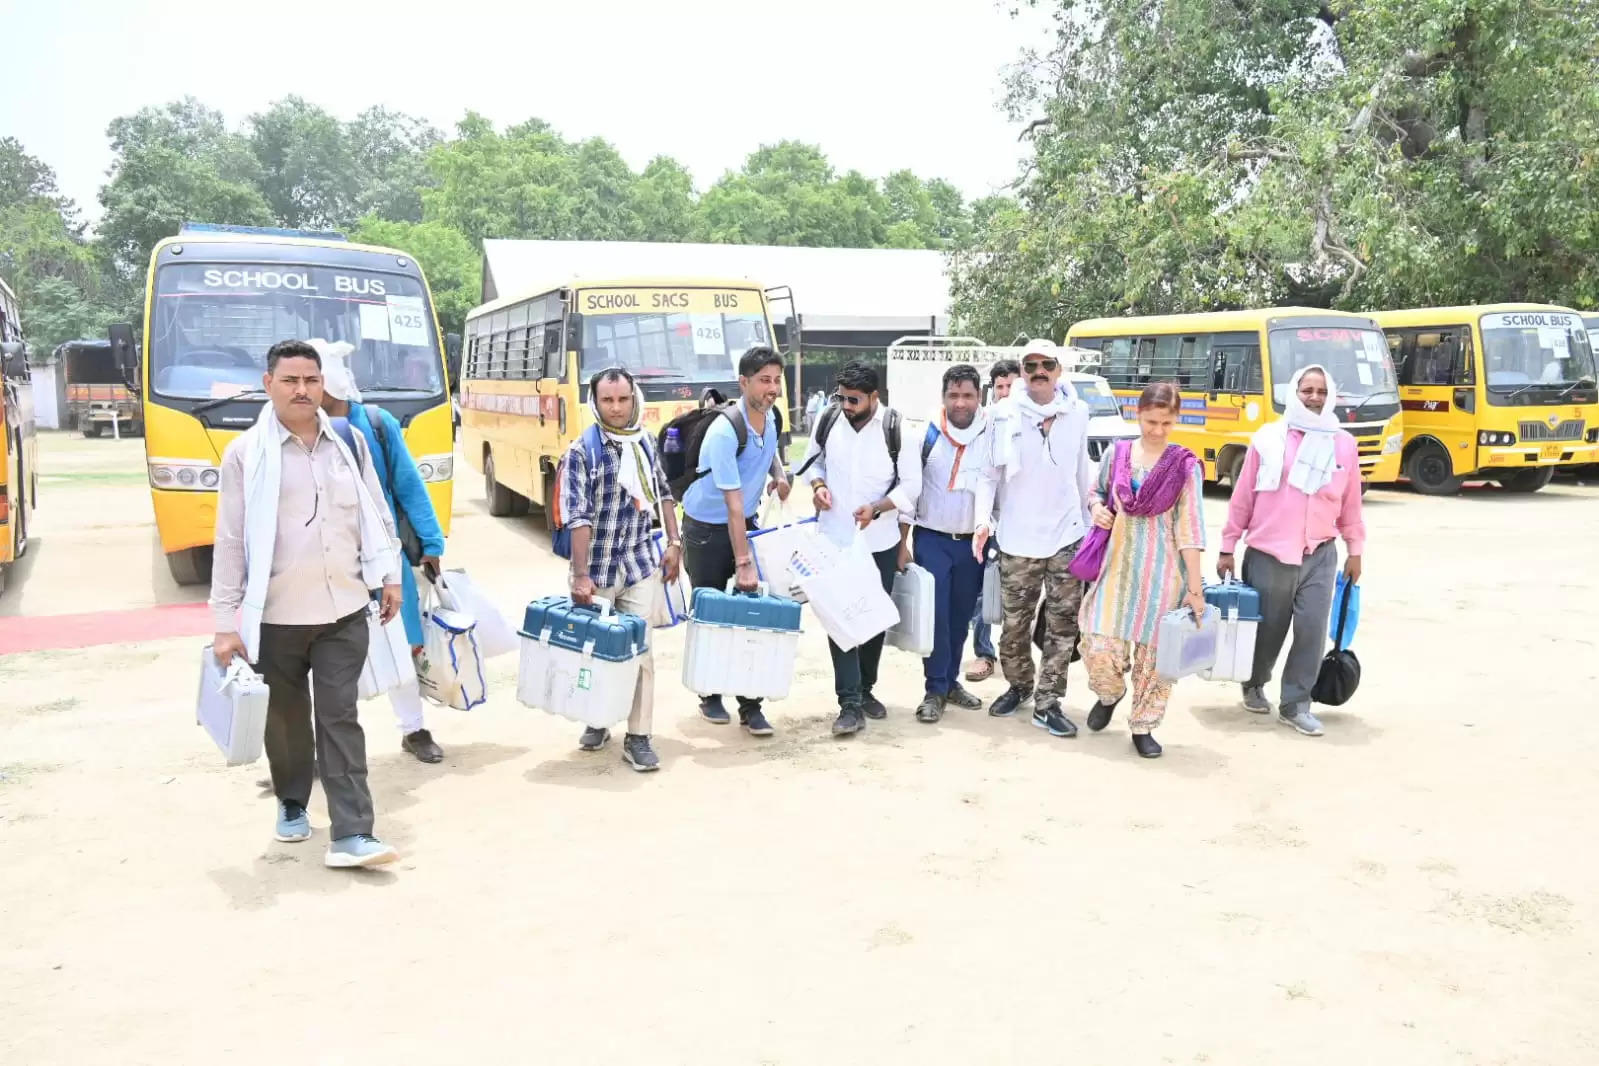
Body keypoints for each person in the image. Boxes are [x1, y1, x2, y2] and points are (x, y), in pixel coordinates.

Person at [209, 339, 402, 869]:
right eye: (291, 381)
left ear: (325, 385)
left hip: (343, 608)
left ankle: (353, 834)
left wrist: (390, 576)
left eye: (311, 381)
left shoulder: (349, 441)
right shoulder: (246, 455)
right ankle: (292, 801)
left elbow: (375, 512)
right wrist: (226, 625)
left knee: (340, 716)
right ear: (268, 384)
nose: (302, 390)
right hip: (276, 617)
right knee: (289, 718)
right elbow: (229, 542)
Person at [316, 344, 447, 765]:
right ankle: (317, 752)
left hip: (383, 558)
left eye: (311, 381)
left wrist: (431, 543)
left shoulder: (374, 423)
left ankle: (413, 729)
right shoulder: (291, 432)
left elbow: (409, 485)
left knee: (401, 641)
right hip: (325, 565)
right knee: (325, 658)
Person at [1219, 364, 1365, 737]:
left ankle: (1295, 704)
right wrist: (1227, 546)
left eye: (1320, 391)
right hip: (1270, 553)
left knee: (1312, 632)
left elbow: (1350, 504)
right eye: (1307, 390)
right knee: (1268, 631)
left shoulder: (1343, 443)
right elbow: (1243, 497)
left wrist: (1355, 549)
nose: (1314, 398)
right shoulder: (1268, 439)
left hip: (1320, 553)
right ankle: (1254, 682)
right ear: (1294, 393)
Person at [561, 367, 683, 771]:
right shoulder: (582, 452)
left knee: (640, 653)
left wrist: (674, 542)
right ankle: (597, 720)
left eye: (623, 399)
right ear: (594, 402)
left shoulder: (645, 443)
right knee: (594, 653)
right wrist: (580, 576)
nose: (616, 408)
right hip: (594, 572)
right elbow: (577, 516)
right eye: (608, 400)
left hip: (638, 564)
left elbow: (663, 493)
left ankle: (639, 736)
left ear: (634, 399)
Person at [1078, 383, 1207, 758]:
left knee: (1155, 662)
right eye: (1152, 421)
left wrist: (1195, 589)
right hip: (1116, 570)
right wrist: (1096, 508)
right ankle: (1109, 694)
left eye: (1167, 423)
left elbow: (1191, 530)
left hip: (1164, 577)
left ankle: (1143, 725)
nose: (1158, 430)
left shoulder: (1184, 466)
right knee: (1097, 645)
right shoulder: (1117, 455)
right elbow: (1095, 492)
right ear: (1138, 414)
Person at [974, 341, 1093, 738]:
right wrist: (981, 523)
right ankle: (1021, 684)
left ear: (1059, 370)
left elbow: (1080, 471)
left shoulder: (1077, 413)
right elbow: (988, 474)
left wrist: (1089, 524)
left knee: (1062, 627)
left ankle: (1048, 701)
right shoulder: (1002, 414)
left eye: (1047, 364)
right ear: (1022, 371)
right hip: (1017, 539)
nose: (1039, 371)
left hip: (1066, 536)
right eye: (1031, 365)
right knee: (1014, 627)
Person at [798, 360, 921, 737]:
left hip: (878, 543)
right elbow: (813, 460)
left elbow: (911, 486)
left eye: (853, 400)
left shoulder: (898, 429)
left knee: (872, 621)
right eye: (841, 398)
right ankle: (849, 703)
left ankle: (866, 688)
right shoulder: (829, 419)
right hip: (834, 539)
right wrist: (818, 486)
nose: (846, 405)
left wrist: (879, 508)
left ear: (873, 396)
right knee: (841, 620)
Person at [680, 347, 791, 735]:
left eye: (777, 380)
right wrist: (743, 562)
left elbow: (771, 449)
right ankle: (709, 695)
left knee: (752, 617)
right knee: (711, 614)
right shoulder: (726, 429)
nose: (773, 388)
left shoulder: (770, 416)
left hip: (742, 521)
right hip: (706, 529)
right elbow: (732, 505)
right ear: (744, 383)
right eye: (764, 380)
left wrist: (779, 475)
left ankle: (751, 704)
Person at [898, 364, 997, 723]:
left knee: (960, 618)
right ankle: (934, 689)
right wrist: (902, 543)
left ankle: (951, 682)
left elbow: (993, 483)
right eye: (953, 395)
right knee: (935, 618)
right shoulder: (923, 434)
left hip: (972, 544)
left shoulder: (990, 433)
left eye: (967, 395)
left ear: (978, 397)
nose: (960, 402)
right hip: (932, 540)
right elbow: (910, 491)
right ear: (943, 397)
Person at [965, 358, 1021, 683]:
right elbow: (986, 478)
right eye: (999, 387)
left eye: (1009, 386)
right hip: (996, 523)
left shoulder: (1036, 423)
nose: (1004, 393)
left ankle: (1018, 660)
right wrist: (983, 521)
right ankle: (984, 653)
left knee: (1022, 597)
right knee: (987, 589)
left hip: (1030, 528)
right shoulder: (988, 424)